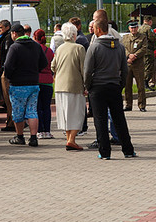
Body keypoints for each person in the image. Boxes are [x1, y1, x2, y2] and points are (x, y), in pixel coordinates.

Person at [84, 19, 136, 159]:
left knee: (100, 120)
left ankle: (105, 151)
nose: (93, 30)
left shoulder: (94, 47)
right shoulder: (119, 47)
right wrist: (121, 85)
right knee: (119, 119)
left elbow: (88, 71)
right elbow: (124, 69)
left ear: (99, 29)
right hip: (114, 86)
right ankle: (128, 150)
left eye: (94, 28)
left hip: (97, 87)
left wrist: (88, 86)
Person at [3, 24, 48, 146]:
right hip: (33, 83)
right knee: (32, 111)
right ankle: (33, 138)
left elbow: (7, 66)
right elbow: (44, 63)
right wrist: (34, 70)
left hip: (17, 84)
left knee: (18, 112)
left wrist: (10, 76)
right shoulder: (36, 46)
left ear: (14, 34)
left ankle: (20, 136)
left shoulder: (15, 47)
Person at [52, 22, 86, 150]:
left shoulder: (59, 48)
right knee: (77, 113)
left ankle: (69, 140)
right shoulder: (79, 48)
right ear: (73, 35)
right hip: (74, 85)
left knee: (65, 114)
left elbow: (52, 66)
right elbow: (84, 69)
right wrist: (86, 85)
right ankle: (71, 140)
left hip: (60, 86)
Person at [33, 29, 55, 140]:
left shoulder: (33, 49)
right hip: (48, 81)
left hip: (36, 80)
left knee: (37, 108)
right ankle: (47, 131)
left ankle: (39, 131)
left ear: (34, 37)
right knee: (47, 108)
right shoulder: (50, 51)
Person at [122, 21, 147, 111]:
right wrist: (128, 55)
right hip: (128, 63)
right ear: (129, 28)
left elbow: (144, 48)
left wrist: (135, 55)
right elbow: (123, 48)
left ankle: (142, 105)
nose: (133, 29)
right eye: (131, 28)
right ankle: (128, 104)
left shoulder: (142, 37)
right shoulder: (125, 37)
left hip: (138, 64)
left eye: (135, 27)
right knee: (127, 86)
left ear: (137, 28)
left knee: (140, 86)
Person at [138, 15, 156, 89]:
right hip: (149, 50)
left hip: (142, 50)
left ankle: (143, 82)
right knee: (149, 67)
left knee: (143, 66)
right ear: (150, 21)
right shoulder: (149, 28)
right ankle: (145, 83)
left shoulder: (139, 28)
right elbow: (152, 38)